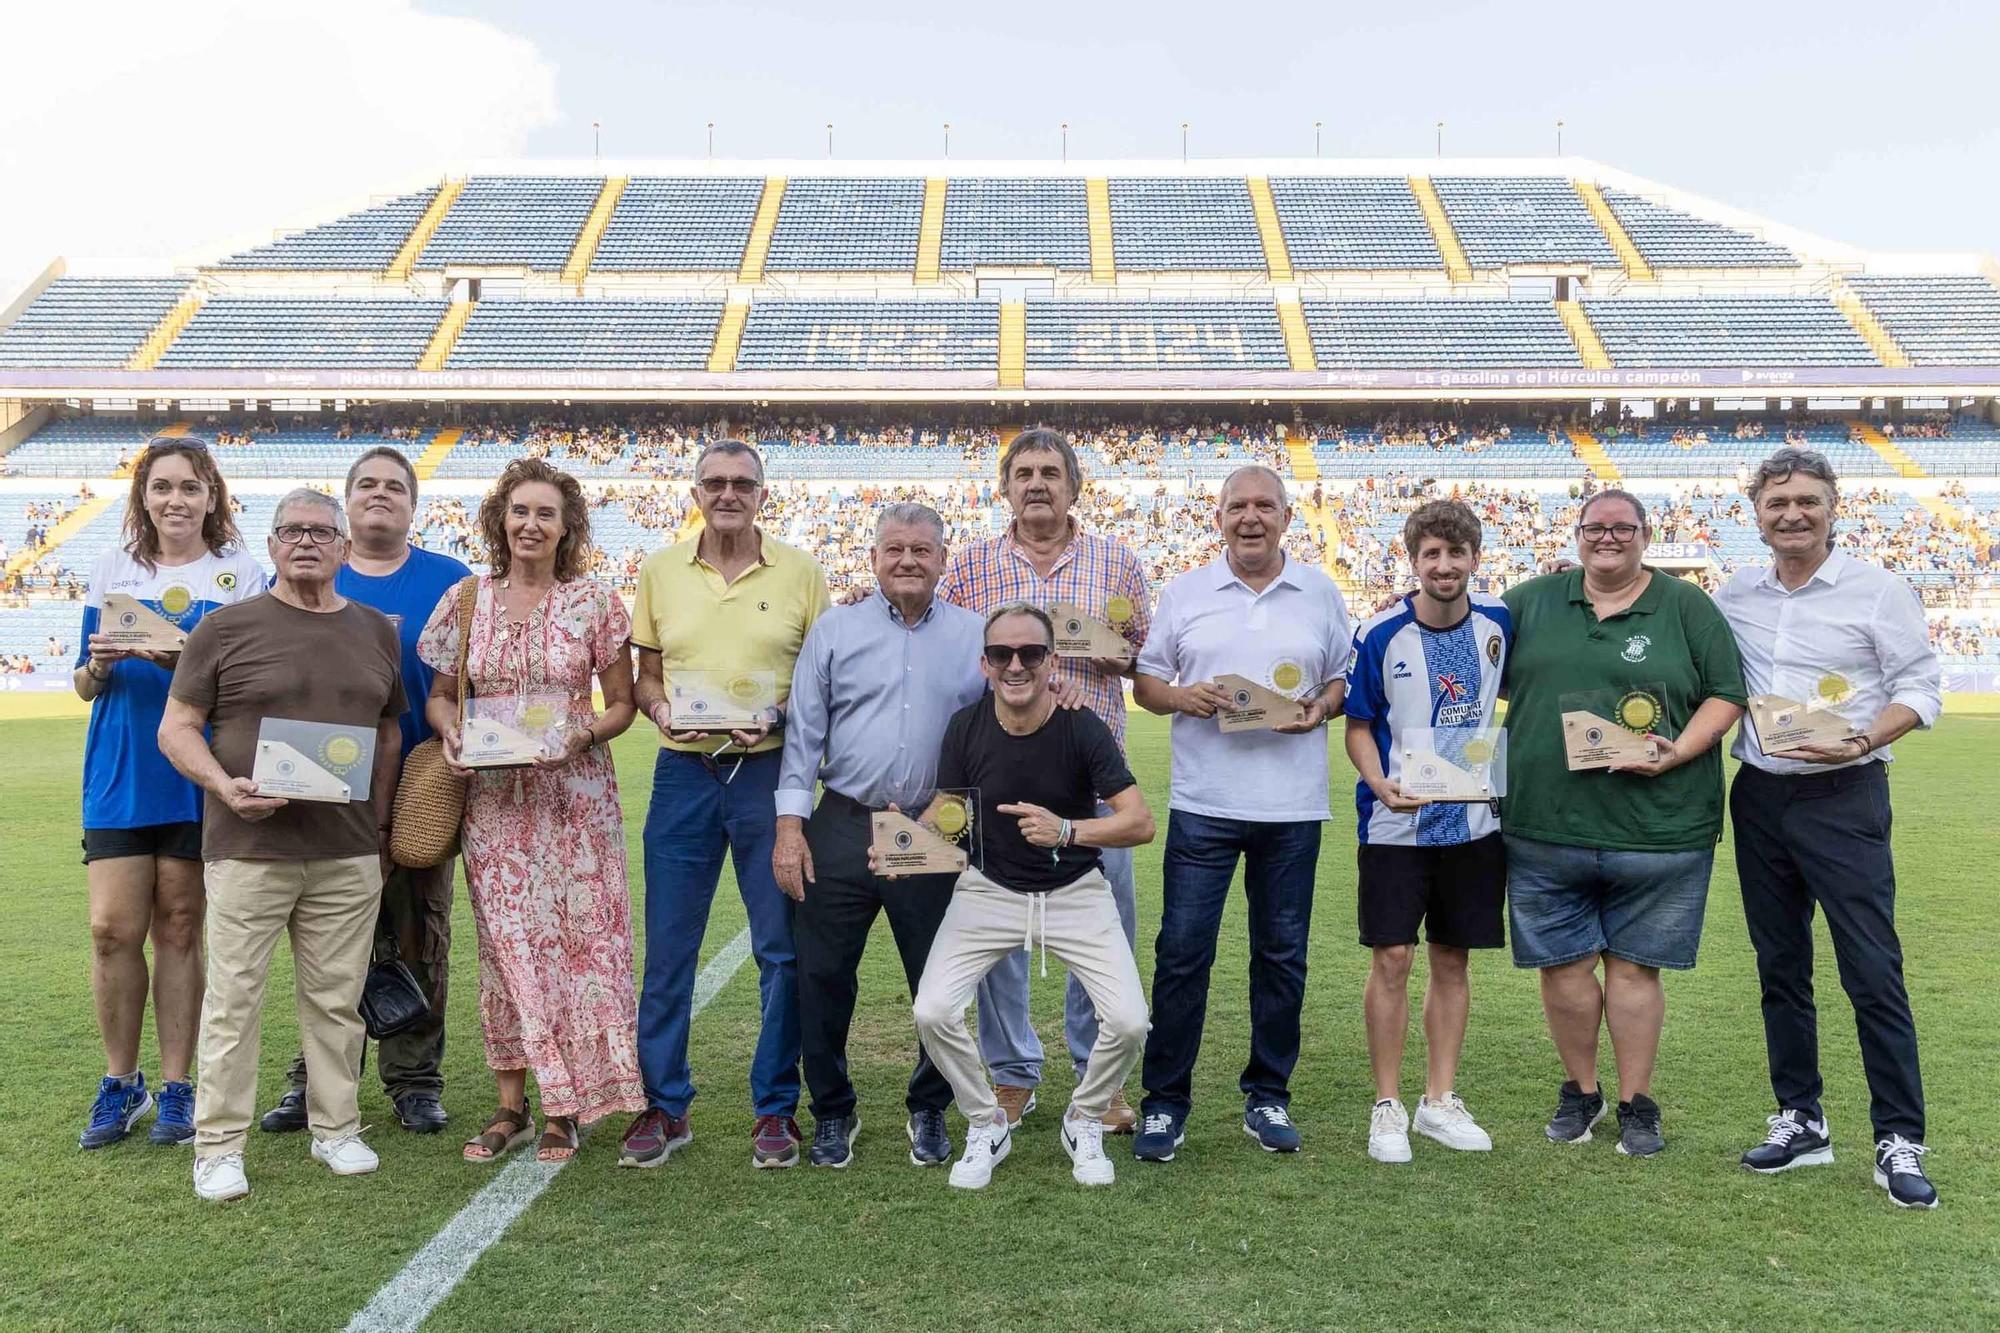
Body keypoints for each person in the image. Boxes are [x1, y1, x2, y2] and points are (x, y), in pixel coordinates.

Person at [160, 489, 404, 1202]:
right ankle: (218, 1146)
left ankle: (337, 1128)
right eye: (292, 530)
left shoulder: (375, 631)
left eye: (321, 531)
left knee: (336, 1000)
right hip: (246, 844)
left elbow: (388, 733)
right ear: (270, 544)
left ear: (344, 547)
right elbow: (177, 727)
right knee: (234, 999)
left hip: (347, 848)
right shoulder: (224, 628)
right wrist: (224, 785)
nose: (306, 541)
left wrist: (383, 825)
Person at [1717, 450, 1942, 1208]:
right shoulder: (1735, 592)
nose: (1792, 514)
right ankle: (1801, 1118)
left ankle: (1898, 1136)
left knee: (1871, 969)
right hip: (1759, 796)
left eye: (1807, 500)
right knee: (1780, 966)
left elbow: (1918, 687)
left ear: (1833, 505)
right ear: (1757, 512)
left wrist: (1859, 739)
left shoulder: (1878, 589)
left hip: (1845, 794)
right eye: (1777, 502)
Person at [1500, 488, 1745, 1159]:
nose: (1608, 538)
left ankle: (1637, 1102)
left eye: (1622, 528)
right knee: (1564, 968)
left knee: (1637, 972)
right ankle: (1582, 1090)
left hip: (1659, 831)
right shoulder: (1528, 601)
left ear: (1645, 534)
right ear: (1576, 534)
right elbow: (1462, 653)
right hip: (1545, 825)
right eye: (1595, 527)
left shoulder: (1687, 605)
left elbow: (1727, 692)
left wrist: (1680, 750)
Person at [419, 458, 642, 1164]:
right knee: (507, 949)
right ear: (500, 518)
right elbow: (442, 693)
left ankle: (566, 1107)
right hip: (495, 807)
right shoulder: (466, 599)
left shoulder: (595, 601)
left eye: (546, 513)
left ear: (567, 526)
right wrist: (451, 728)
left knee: (579, 947)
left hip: (575, 802)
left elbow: (624, 705)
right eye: (520, 511)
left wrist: (581, 732)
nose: (531, 524)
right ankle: (511, 1105)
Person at [1129, 466, 1348, 1162]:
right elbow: (1150, 681)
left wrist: (1321, 707)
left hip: (1293, 806)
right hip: (1205, 803)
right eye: (1237, 507)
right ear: (1217, 517)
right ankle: (1165, 1102)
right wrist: (1182, 697)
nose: (1250, 517)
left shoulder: (1319, 589)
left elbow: (1341, 675)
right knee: (1182, 954)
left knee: (1281, 957)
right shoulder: (1187, 590)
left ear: (1287, 517)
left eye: (1264, 506)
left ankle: (1268, 1094)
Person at [623, 440, 831, 1170]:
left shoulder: (803, 572)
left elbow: (816, 681)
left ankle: (774, 1108)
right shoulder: (659, 570)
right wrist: (657, 711)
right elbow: (647, 675)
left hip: (770, 777)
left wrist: (774, 717)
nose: (729, 493)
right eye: (715, 482)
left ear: (763, 493)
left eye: (743, 482)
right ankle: (664, 1103)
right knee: (669, 950)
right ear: (696, 491)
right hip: (683, 772)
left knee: (780, 947)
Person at [936, 427, 1151, 1132]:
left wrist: (1092, 648)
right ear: (1004, 486)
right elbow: (957, 653)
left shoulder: (1117, 562)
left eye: (1051, 472)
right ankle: (1012, 1073)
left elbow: (1137, 658)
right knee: (997, 935)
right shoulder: (969, 569)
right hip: (1000, 775)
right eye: (1023, 471)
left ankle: (1100, 1077)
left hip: (1093, 782)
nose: (1037, 483)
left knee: (1104, 933)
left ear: (1074, 486)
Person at [259, 446, 471, 1139]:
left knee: (420, 933)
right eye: (367, 485)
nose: (380, 495)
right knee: (328, 941)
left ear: (414, 505)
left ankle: (415, 1080)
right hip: (321, 787)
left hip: (419, 784)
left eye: (395, 487)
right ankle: (315, 1077)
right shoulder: (304, 572)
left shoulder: (451, 580)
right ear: (346, 505)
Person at [907, 603, 1155, 1190]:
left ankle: (1084, 1116)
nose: (1015, 665)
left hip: (1075, 891)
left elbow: (1139, 823)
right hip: (988, 890)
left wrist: (1068, 830)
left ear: (1050, 661)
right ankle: (985, 1120)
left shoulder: (1081, 725)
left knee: (1129, 1020)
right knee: (932, 1010)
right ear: (985, 663)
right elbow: (950, 813)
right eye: (1002, 654)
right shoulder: (966, 726)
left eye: (1030, 654)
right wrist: (906, 843)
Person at [774, 503, 985, 1169]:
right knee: (822, 974)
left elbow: (987, 738)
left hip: (932, 822)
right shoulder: (835, 630)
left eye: (921, 549)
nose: (907, 560)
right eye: (894, 548)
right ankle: (833, 1110)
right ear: (872, 558)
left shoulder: (974, 636)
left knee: (939, 979)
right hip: (842, 819)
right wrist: (789, 828)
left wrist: (950, 818)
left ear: (943, 559)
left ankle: (929, 1105)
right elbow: (804, 737)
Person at [73, 436, 263, 1149]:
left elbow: (244, 681)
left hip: (195, 769)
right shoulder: (111, 566)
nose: (175, 500)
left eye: (189, 487)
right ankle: (122, 1082)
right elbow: (83, 683)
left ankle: (180, 1086)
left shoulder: (238, 574)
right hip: (120, 766)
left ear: (211, 495)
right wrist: (95, 667)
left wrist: (173, 651)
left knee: (181, 925)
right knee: (110, 929)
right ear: (143, 496)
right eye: (162, 487)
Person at [1342, 500, 1511, 1164]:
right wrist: (1379, 781)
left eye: (1456, 553)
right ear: (1413, 562)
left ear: (1475, 558)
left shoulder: (1499, 620)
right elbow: (1358, 724)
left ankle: (1439, 1099)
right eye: (1431, 554)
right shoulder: (1381, 631)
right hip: (1396, 822)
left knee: (1451, 958)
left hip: (1473, 822)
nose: (1444, 565)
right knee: (1391, 958)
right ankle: (1387, 1104)